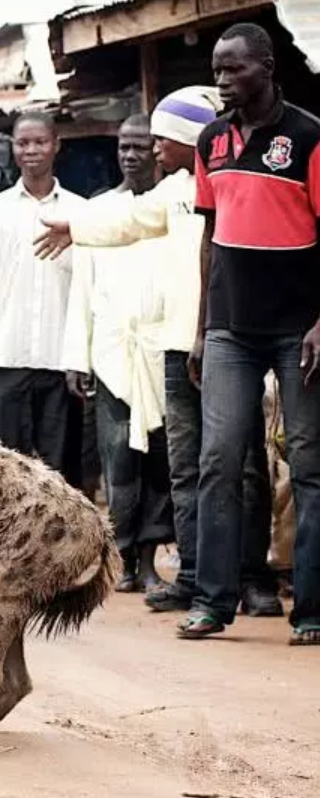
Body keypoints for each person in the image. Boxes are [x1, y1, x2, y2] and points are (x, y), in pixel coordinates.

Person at [35, 85, 283, 617]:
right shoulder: (170, 192)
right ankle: (194, 575)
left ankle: (253, 579)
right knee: (188, 471)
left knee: (243, 467)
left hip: (226, 343)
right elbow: (125, 219)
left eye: (163, 141)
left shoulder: (230, 183)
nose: (152, 151)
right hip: (174, 351)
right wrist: (74, 227)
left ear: (187, 141)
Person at [182, 24, 320, 643]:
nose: (222, 79)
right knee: (219, 461)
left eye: (233, 69)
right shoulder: (210, 142)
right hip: (230, 333)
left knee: (311, 465)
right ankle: (214, 601)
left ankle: (312, 609)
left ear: (265, 67)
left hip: (299, 331)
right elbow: (210, 240)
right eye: (217, 69)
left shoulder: (309, 136)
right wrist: (200, 330)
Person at [60, 115, 175, 592]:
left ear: (157, 151)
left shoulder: (170, 207)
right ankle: (121, 556)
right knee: (118, 460)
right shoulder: (97, 212)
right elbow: (82, 291)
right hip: (110, 353)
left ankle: (149, 558)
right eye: (124, 147)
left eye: (140, 147)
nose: (130, 155)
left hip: (158, 348)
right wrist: (77, 357)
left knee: (160, 461)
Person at [0, 112, 84, 474]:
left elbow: (88, 290)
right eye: (23, 143)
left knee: (60, 472)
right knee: (6, 473)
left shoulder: (80, 212)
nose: (31, 150)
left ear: (56, 145)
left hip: (61, 362)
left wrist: (82, 358)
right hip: (5, 359)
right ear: (13, 148)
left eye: (40, 142)